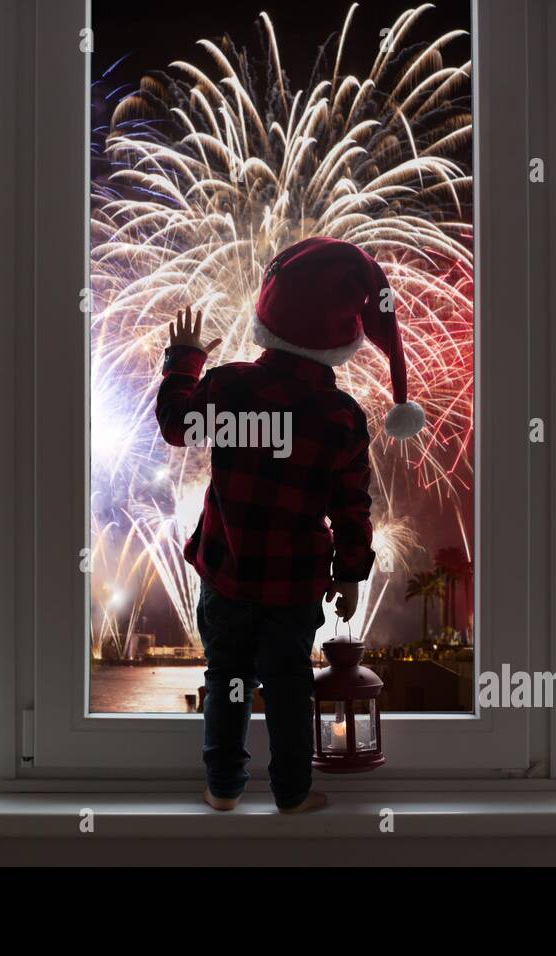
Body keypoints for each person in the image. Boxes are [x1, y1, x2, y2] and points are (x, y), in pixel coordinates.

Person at [156, 237, 424, 814]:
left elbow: (178, 427)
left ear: (266, 315)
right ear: (342, 339)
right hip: (296, 585)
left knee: (225, 677)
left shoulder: (228, 386)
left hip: (226, 572)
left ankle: (223, 789)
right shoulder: (341, 417)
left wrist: (183, 362)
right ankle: (291, 793)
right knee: (287, 685)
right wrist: (351, 574)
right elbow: (353, 509)